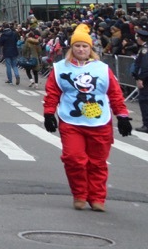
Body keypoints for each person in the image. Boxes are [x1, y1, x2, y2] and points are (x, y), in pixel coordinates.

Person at [43, 24, 133, 211]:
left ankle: (97, 197)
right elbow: (52, 93)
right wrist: (49, 113)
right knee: (73, 158)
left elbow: (115, 94)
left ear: (90, 48)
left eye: (85, 46)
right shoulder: (60, 68)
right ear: (72, 48)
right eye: (77, 46)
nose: (81, 49)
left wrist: (122, 116)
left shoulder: (102, 68)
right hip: (71, 120)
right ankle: (80, 194)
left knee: (97, 162)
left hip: (99, 122)